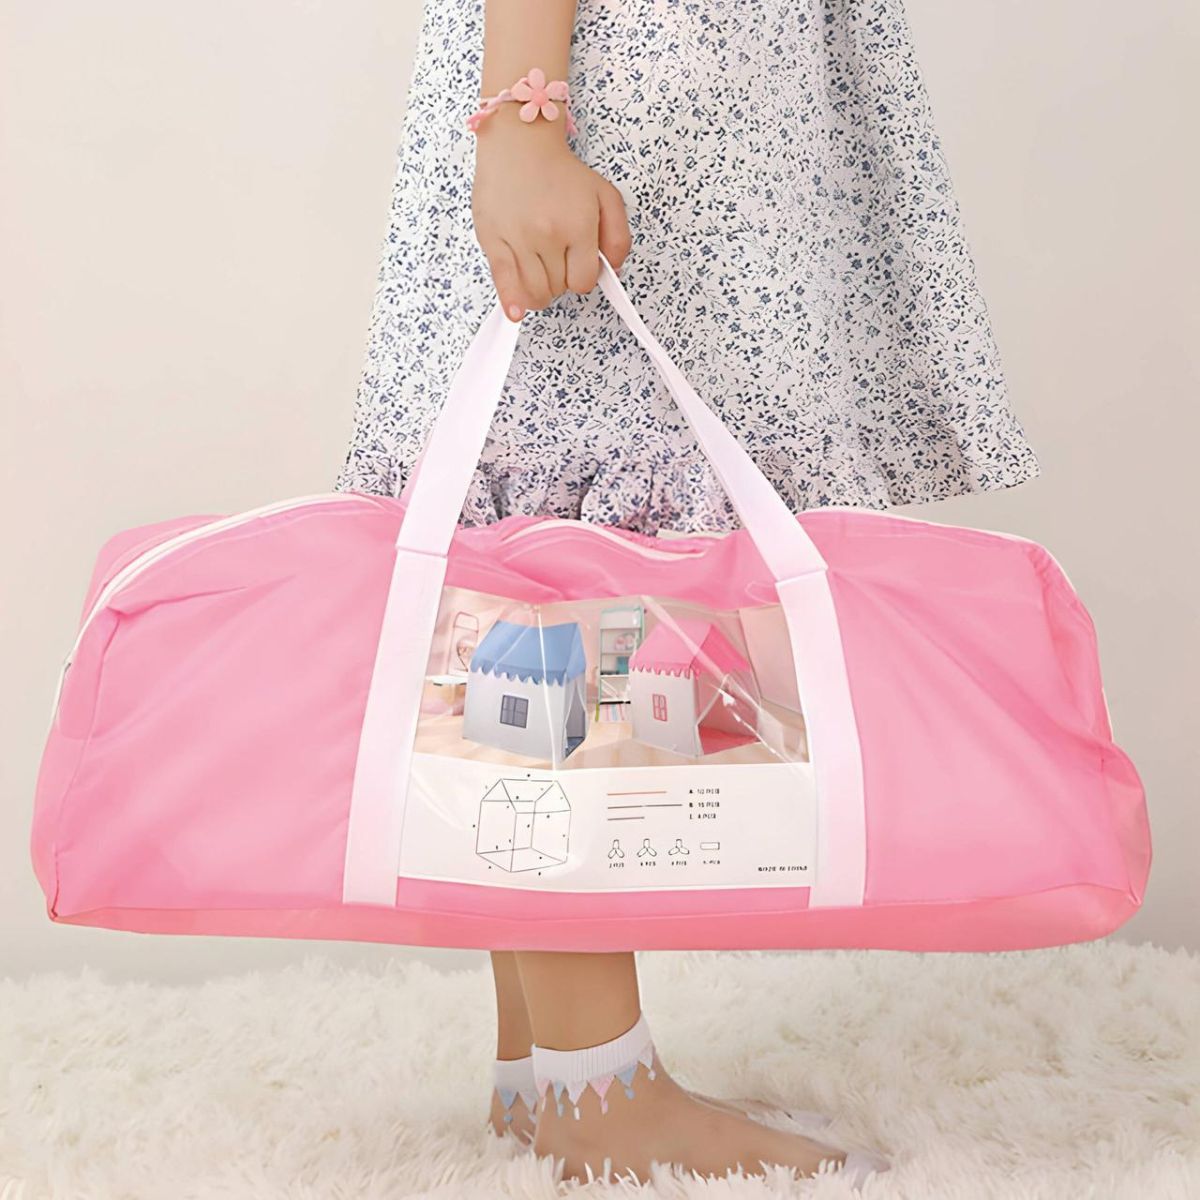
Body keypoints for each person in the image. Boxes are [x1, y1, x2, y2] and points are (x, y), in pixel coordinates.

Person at [337, 0, 1040, 1184]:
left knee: (556, 562)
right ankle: (597, 1089)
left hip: (698, 91)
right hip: (640, 86)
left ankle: (545, 1064)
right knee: (566, 564)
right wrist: (525, 115)